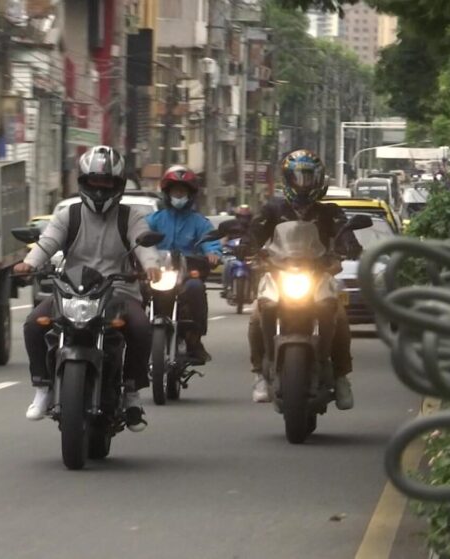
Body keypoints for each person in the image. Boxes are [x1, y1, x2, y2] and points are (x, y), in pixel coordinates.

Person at [14, 146, 161, 431]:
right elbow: (48, 242)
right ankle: (43, 387)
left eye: (106, 183)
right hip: (72, 291)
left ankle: (132, 393)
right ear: (83, 183)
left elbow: (143, 242)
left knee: (142, 327)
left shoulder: (130, 216)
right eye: (94, 182)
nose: (99, 190)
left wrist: (152, 265)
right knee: (33, 324)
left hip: (118, 292)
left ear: (118, 185)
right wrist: (29, 263)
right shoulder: (68, 215)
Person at [246, 149, 361, 408]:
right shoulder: (272, 209)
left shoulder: (329, 212)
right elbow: (254, 233)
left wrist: (349, 245)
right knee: (257, 316)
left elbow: (344, 234)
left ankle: (341, 376)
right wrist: (246, 245)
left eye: (308, 177)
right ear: (288, 179)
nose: (303, 183)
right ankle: (260, 373)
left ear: (318, 179)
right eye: (298, 177)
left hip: (318, 275)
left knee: (339, 317)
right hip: (280, 273)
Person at [145, 165, 221, 364]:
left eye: (182, 191)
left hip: (186, 276)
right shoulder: (154, 220)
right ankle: (136, 338)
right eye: (175, 191)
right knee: (136, 293)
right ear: (167, 193)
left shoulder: (199, 222)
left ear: (190, 195)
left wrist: (212, 253)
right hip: (158, 275)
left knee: (196, 288)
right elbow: (140, 239)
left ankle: (194, 340)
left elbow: (209, 240)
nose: (178, 195)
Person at [220, 204, 253, 299]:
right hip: (233, 254)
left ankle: (256, 290)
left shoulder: (254, 227)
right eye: (241, 216)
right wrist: (222, 246)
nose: (243, 219)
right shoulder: (229, 226)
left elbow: (261, 240)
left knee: (259, 268)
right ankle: (226, 287)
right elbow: (223, 239)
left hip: (249, 256)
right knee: (227, 265)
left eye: (246, 217)